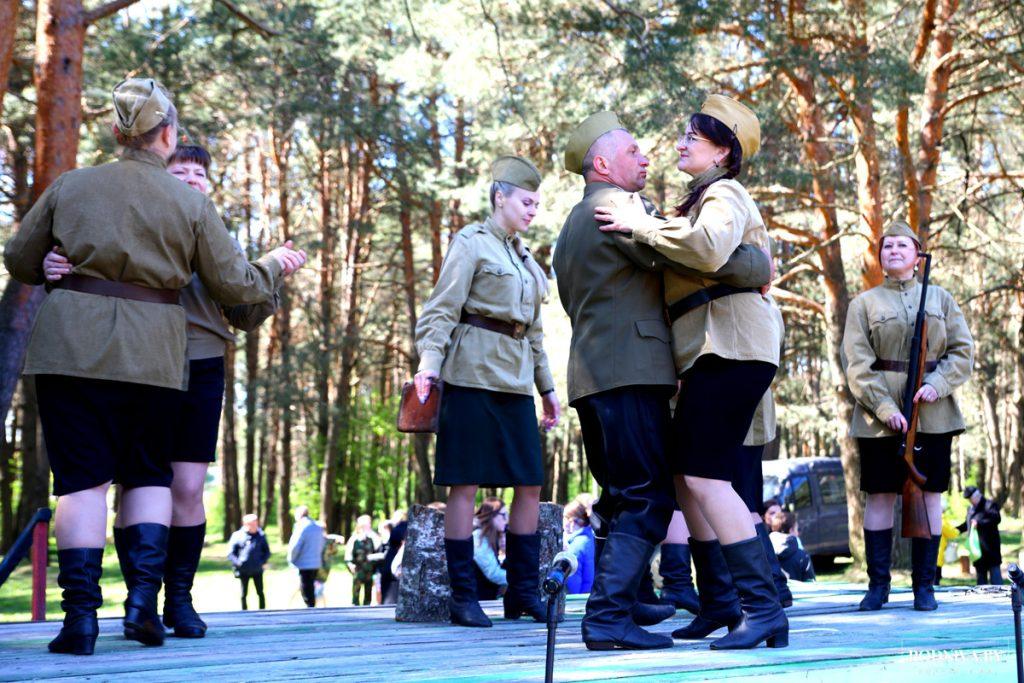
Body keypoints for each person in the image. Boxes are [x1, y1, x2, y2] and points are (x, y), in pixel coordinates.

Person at [4, 78, 303, 655]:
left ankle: (80, 623)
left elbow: (19, 258)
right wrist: (269, 267)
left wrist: (52, 263)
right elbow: (235, 286)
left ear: (117, 133)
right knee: (147, 476)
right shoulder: (189, 203)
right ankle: (143, 608)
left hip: (71, 346)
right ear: (167, 135)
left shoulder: (71, 185)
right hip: (154, 353)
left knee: (82, 485)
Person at [43, 142, 282, 640]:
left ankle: (178, 597)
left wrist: (268, 276)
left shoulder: (210, 228)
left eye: (200, 172)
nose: (192, 179)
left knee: (186, 488)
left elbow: (244, 310)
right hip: (142, 361)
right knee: (140, 480)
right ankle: (141, 601)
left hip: (200, 364)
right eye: (182, 170)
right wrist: (50, 265)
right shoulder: (130, 224)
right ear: (158, 175)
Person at [553, 109, 771, 652]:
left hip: (594, 373)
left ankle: (641, 605)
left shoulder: (571, 225)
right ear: (603, 163)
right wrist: (758, 267)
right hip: (631, 371)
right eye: (632, 151)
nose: (647, 156)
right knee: (649, 498)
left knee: (635, 491)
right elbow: (691, 257)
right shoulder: (618, 208)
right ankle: (607, 618)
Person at [414, 155, 560, 628]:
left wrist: (548, 389)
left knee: (530, 483)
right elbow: (441, 309)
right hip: (471, 373)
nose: (532, 209)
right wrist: (429, 366)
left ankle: (521, 593)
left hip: (516, 382)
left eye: (537, 203)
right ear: (500, 197)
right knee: (466, 482)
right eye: (526, 201)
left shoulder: (525, 259)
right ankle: (463, 597)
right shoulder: (470, 243)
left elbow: (534, 333)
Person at [842, 220, 974, 611]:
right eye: (887, 247)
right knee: (879, 496)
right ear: (880, 257)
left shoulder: (941, 299)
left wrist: (938, 384)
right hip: (877, 418)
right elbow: (857, 364)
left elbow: (962, 352)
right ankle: (878, 587)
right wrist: (884, 408)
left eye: (902, 245)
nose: (894, 251)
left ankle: (924, 587)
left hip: (933, 414)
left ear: (918, 256)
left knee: (930, 497)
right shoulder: (864, 304)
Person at [958, 486, 1003, 585]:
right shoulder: (970, 509)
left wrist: (980, 522)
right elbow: (967, 524)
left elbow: (996, 519)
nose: (970, 501)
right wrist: (956, 530)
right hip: (977, 550)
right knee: (981, 581)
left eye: (971, 499)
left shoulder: (989, 505)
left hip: (991, 549)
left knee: (996, 580)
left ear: (977, 496)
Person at [227, 514, 271, 610]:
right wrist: (239, 563)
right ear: (246, 524)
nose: (255, 526)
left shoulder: (261, 535)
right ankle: (244, 612)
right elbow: (230, 554)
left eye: (256, 523)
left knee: (260, 592)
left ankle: (262, 612)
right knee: (243, 594)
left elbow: (267, 552)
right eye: (252, 524)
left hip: (258, 570)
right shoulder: (237, 535)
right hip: (244, 570)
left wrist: (262, 562)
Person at [288, 506, 326, 608]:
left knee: (306, 589)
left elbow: (295, 546)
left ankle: (310, 610)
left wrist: (291, 559)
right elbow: (322, 544)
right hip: (316, 562)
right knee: (311, 587)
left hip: (304, 564)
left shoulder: (301, 526)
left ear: (299, 515)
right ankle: (312, 607)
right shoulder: (317, 526)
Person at [473, 498, 509, 600]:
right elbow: (493, 573)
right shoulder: (478, 537)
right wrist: (522, 579)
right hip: (478, 600)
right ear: (492, 516)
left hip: (486, 597)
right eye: (503, 515)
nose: (506, 520)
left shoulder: (492, 536)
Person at [345, 515, 382, 606]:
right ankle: (355, 607)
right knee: (356, 592)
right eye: (365, 524)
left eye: (368, 523)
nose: (367, 526)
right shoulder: (354, 538)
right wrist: (350, 564)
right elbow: (348, 554)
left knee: (368, 593)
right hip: (358, 570)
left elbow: (379, 550)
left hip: (369, 570)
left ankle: (367, 608)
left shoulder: (373, 537)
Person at [769, 512, 815, 582]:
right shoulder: (803, 555)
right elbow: (810, 583)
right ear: (791, 530)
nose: (798, 533)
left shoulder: (763, 552)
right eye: (797, 529)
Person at [563, 497, 596, 594]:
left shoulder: (575, 547)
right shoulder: (591, 539)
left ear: (571, 521)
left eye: (564, 518)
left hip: (578, 603)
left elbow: (573, 587)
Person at [380, 510, 408, 604]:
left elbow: (403, 543)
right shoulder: (403, 527)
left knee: (390, 597)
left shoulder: (402, 527)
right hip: (393, 563)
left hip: (395, 563)